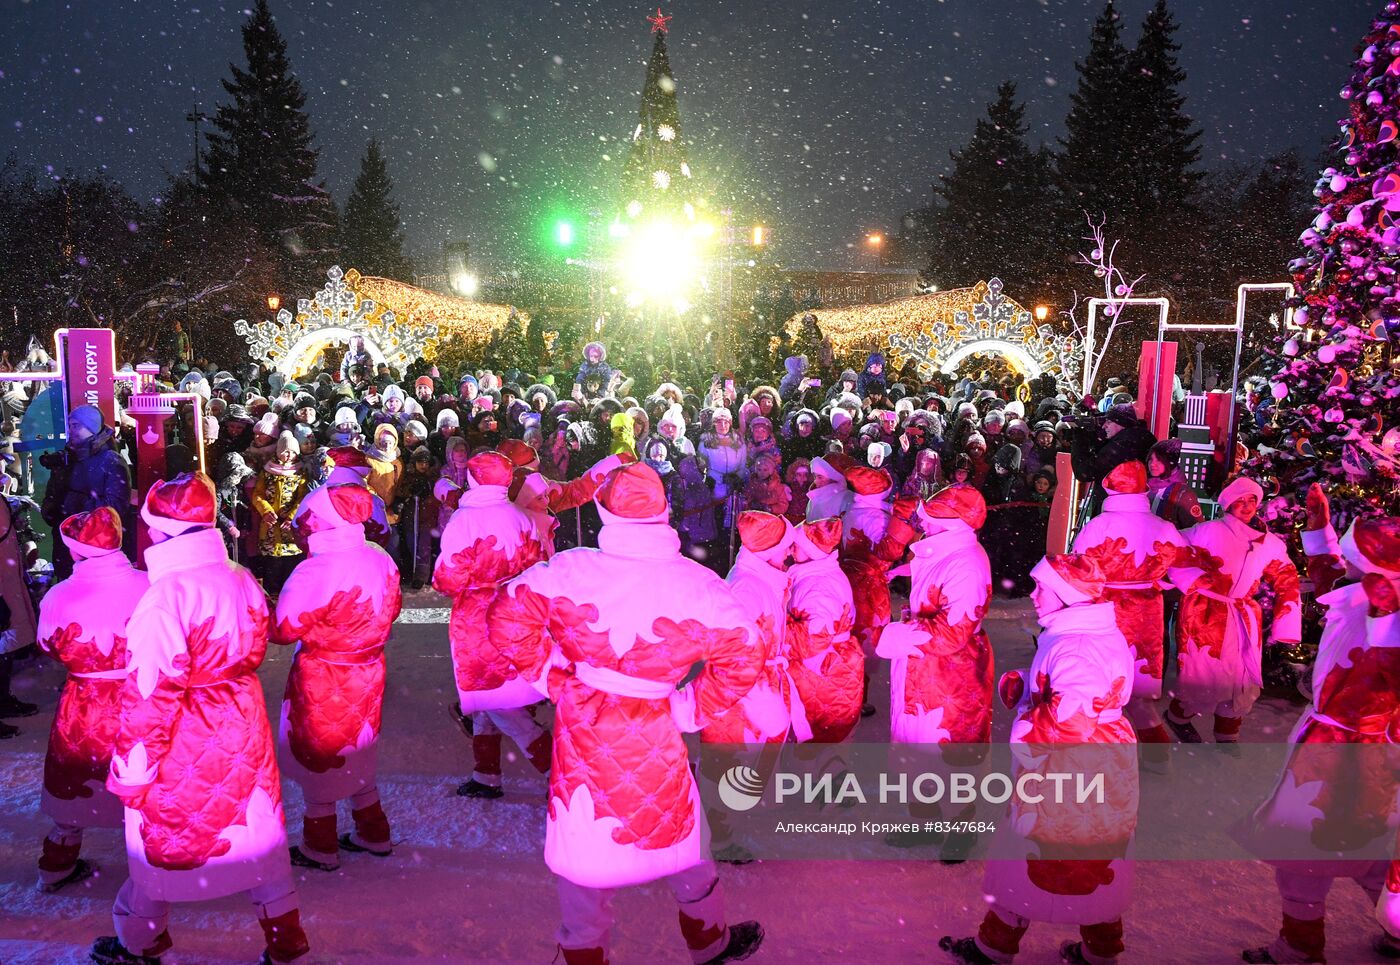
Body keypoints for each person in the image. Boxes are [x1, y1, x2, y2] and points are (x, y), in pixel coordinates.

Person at [486, 463, 765, 965]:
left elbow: (505, 616)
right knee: (680, 833)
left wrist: (551, 676)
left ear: (603, 512)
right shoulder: (697, 584)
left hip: (584, 725)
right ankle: (710, 941)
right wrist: (688, 707)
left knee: (584, 847)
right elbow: (746, 651)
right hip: (656, 724)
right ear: (663, 512)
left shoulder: (569, 569)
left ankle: (584, 952)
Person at [94, 473, 309, 965]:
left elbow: (150, 695)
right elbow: (262, 632)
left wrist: (132, 772)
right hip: (242, 718)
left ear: (160, 531)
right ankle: (288, 946)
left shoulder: (163, 599)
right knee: (256, 835)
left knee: (162, 846)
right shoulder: (238, 575)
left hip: (185, 738)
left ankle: (140, 944)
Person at [941, 553, 1137, 965]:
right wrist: (1030, 694)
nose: (1033, 594)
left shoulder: (1078, 646)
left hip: (1069, 767)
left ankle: (993, 949)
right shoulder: (1087, 633)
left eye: (1042, 588)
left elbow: (1070, 720)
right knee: (1093, 856)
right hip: (1098, 760)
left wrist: (1027, 720)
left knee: (1035, 850)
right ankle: (1099, 951)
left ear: (1066, 597)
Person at [1241, 486, 1400, 964]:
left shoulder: (1388, 624)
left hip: (1341, 753)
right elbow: (1332, 572)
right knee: (1371, 847)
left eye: (1353, 556)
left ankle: (1300, 946)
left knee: (1302, 853)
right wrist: (1318, 529)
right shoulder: (1362, 597)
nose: (1343, 563)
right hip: (1367, 753)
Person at [275, 483, 403, 872]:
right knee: (359, 750)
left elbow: (283, 628)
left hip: (323, 675)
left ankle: (320, 845)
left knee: (321, 756)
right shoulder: (379, 557)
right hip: (368, 668)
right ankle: (373, 831)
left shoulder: (315, 569)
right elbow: (393, 607)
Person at [35, 508, 148, 892]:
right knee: (143, 780)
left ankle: (57, 863)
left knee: (75, 779)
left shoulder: (59, 595)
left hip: (84, 703)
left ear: (74, 550)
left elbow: (48, 646)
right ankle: (150, 868)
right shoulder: (149, 585)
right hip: (141, 699)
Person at [434, 451, 553, 799]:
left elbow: (446, 579)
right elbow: (539, 563)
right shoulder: (520, 516)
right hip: (515, 614)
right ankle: (486, 774)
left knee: (498, 703)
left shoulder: (464, 521)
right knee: (490, 698)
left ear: (472, 480)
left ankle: (556, 773)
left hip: (477, 621)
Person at [1166, 477, 1302, 746]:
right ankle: (1178, 717)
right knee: (1205, 677)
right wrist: (1193, 580)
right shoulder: (1207, 531)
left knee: (1241, 679)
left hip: (1243, 617)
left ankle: (1227, 734)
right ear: (1228, 504)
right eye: (1240, 500)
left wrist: (1286, 624)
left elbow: (1287, 578)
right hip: (1206, 615)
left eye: (1252, 499)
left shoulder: (1269, 543)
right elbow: (1174, 553)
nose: (1247, 505)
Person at [1071, 461, 1188, 755]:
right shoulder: (1163, 526)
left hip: (1104, 610)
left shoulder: (1098, 526)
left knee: (1099, 684)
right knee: (1138, 690)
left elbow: (1077, 571)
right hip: (1148, 610)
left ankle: (1101, 752)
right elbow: (1187, 566)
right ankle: (1156, 753)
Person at [876, 485, 992, 744]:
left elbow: (952, 632)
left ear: (950, 524)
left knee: (936, 755)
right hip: (932, 667)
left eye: (930, 520)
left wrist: (892, 636)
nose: (924, 527)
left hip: (945, 673)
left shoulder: (965, 565)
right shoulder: (951, 554)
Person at [787, 517, 861, 743]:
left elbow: (813, 639)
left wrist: (774, 630)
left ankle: (824, 774)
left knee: (821, 729)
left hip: (824, 668)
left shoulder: (819, 586)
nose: (790, 550)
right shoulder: (817, 573)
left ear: (810, 551)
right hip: (832, 663)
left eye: (795, 545)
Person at [41, 403, 132, 581]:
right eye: (70, 426)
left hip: (97, 547)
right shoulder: (67, 459)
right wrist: (51, 508)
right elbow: (52, 493)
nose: (71, 430)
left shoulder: (111, 461)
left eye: (77, 425)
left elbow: (116, 507)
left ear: (91, 428)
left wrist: (75, 506)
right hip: (65, 544)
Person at [1145, 439, 1202, 529]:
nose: (1152, 464)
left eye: (1159, 460)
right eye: (1150, 459)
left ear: (1171, 463)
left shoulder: (1184, 494)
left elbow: (1196, 531)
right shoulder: (1145, 487)